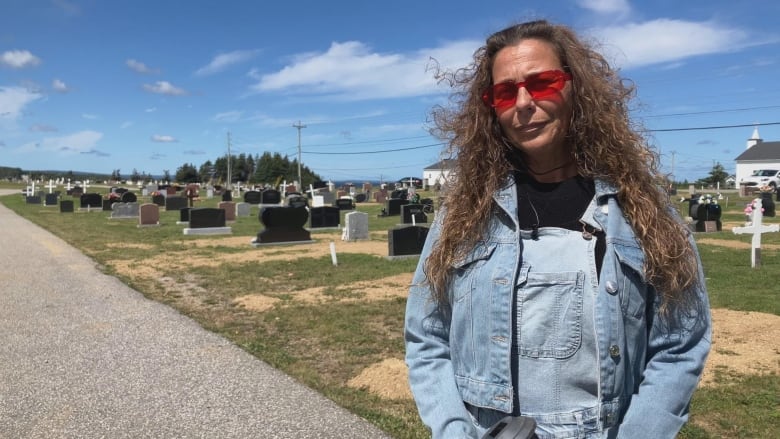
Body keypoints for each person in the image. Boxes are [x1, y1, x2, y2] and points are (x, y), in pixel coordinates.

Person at [404, 19, 711, 439]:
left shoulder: (643, 214)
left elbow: (679, 346)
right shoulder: (463, 216)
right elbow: (427, 337)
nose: (524, 102)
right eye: (504, 92)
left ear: (575, 89)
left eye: (543, 82)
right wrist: (454, 431)